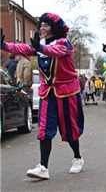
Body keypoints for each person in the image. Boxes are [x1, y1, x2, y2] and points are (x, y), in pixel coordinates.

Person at [1, 12, 84, 179]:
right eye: (41, 25)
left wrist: (39, 48)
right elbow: (22, 48)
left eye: (46, 26)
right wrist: (3, 45)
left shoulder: (64, 44)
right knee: (44, 128)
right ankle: (43, 167)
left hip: (66, 91)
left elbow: (55, 51)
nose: (42, 28)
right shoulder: (40, 44)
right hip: (48, 91)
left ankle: (77, 157)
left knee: (68, 128)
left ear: (54, 28)